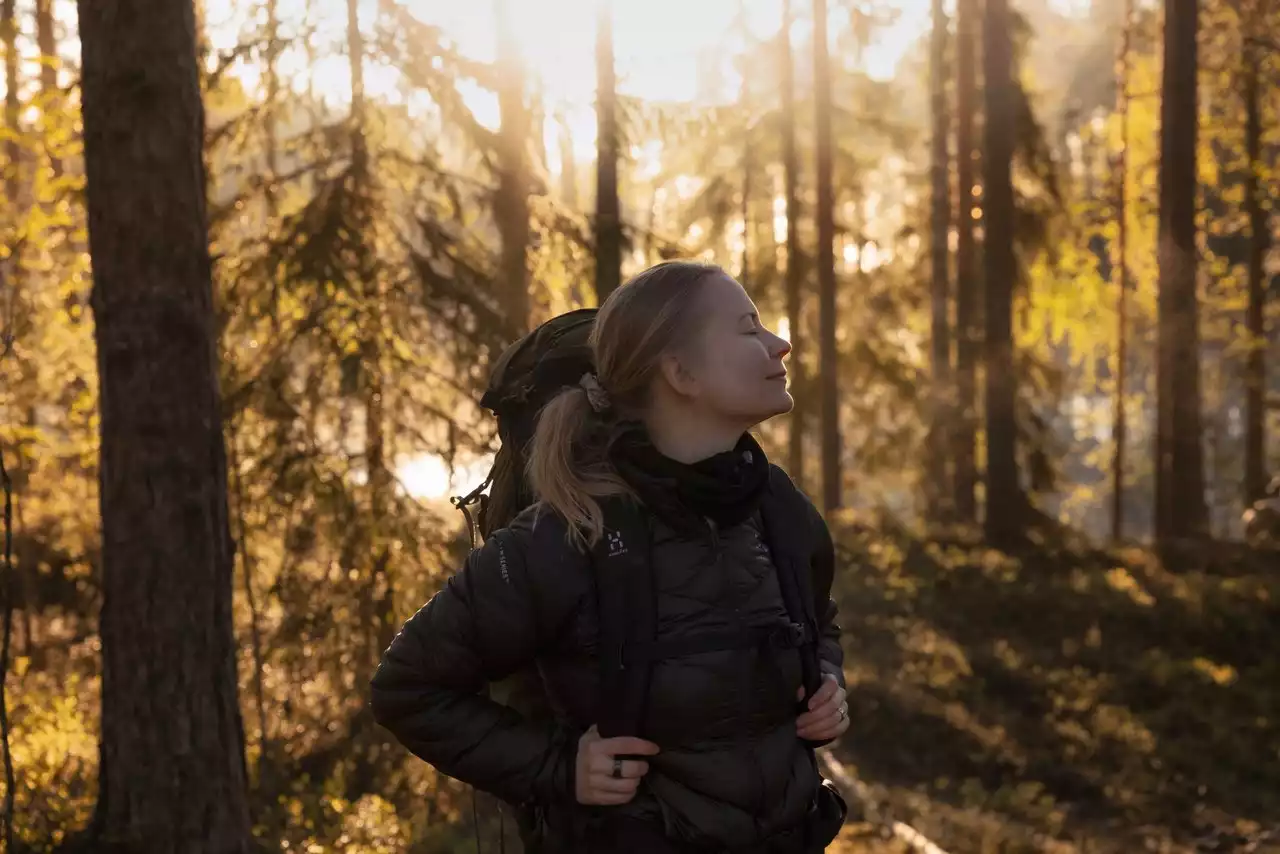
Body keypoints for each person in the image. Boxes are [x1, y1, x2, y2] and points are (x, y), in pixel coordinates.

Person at [370, 260, 850, 853]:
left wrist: (828, 678)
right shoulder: (565, 535)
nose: (781, 344)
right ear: (680, 372)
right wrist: (562, 767)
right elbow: (408, 688)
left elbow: (818, 619)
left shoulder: (776, 505)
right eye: (749, 329)